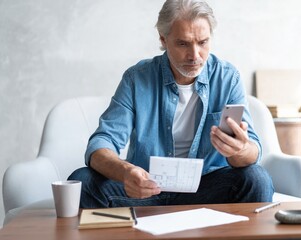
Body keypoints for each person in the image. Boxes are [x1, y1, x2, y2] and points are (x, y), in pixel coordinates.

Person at [68, 0, 274, 208]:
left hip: (206, 189)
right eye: (183, 43)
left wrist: (239, 150)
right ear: (163, 39)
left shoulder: (227, 78)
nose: (195, 56)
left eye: (202, 43)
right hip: (146, 188)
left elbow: (252, 153)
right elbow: (101, 143)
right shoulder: (137, 78)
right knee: (82, 181)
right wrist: (126, 172)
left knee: (257, 178)